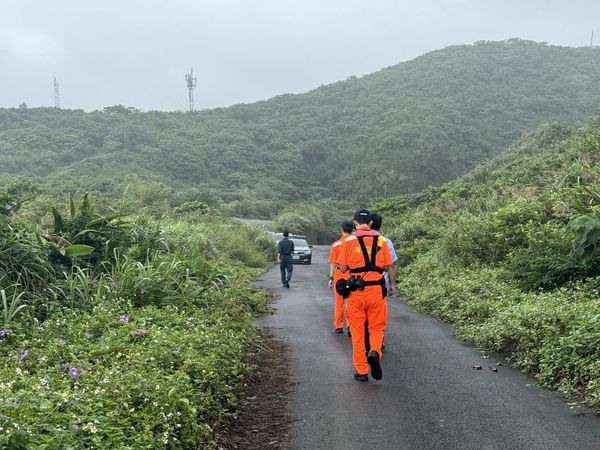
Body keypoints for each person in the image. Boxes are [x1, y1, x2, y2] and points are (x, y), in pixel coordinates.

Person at [337, 209, 393, 382]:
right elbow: (387, 267)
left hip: (356, 292)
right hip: (376, 291)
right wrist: (391, 285)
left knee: (358, 331)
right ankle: (375, 351)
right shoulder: (382, 241)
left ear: (355, 223)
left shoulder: (348, 241)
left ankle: (361, 371)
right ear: (370, 223)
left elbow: (344, 268)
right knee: (376, 327)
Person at [328, 220, 355, 334]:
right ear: (353, 229)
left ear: (342, 230)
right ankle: (350, 325)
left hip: (339, 273)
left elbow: (333, 262)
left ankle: (338, 326)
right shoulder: (356, 242)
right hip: (352, 273)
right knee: (351, 301)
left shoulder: (336, 244)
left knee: (339, 302)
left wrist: (331, 278)